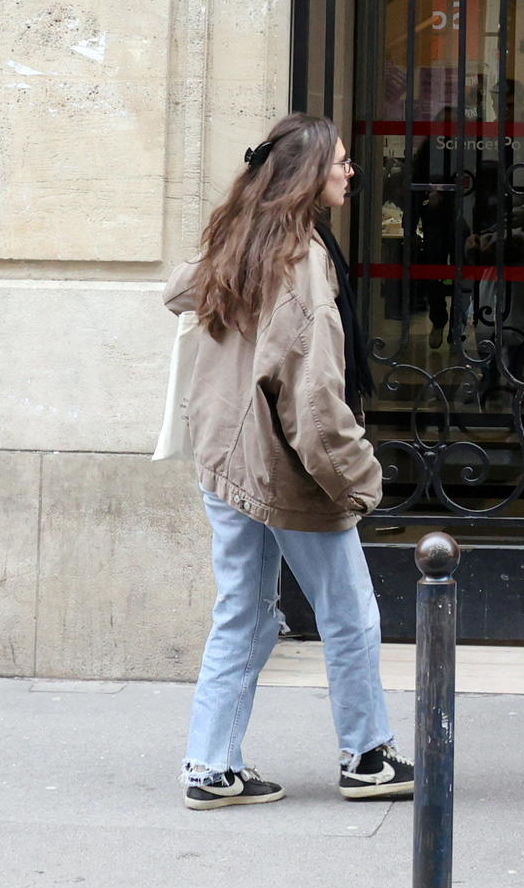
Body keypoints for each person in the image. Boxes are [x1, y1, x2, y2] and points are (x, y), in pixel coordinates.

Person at [165, 114, 411, 810]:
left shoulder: (241, 240)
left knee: (241, 611)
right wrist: (359, 479)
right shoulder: (300, 260)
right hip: (281, 465)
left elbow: (180, 289)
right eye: (340, 161)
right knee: (350, 611)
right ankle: (367, 756)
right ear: (308, 176)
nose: (350, 171)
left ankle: (210, 765)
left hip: (227, 456)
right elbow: (313, 394)